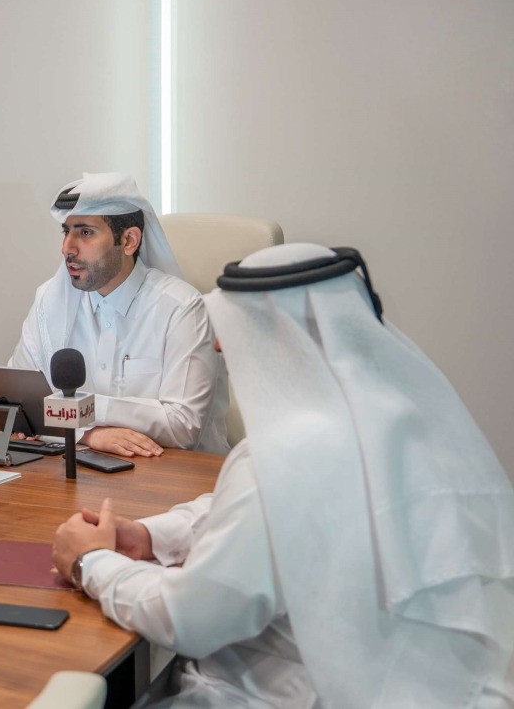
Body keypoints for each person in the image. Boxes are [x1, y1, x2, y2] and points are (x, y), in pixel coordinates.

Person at [52, 243, 514, 707]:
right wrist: (150, 536)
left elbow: (189, 619)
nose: (217, 344)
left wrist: (91, 563)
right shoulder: (401, 420)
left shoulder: (290, 453)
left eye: (235, 326)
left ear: (280, 334)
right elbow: (246, 510)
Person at [9, 172, 228, 457]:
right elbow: (17, 401)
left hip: (174, 479)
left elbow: (184, 426)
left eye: (85, 232)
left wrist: (84, 409)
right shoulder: (49, 300)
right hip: (81, 477)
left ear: (129, 241)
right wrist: (87, 433)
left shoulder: (182, 307)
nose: (67, 249)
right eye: (67, 231)